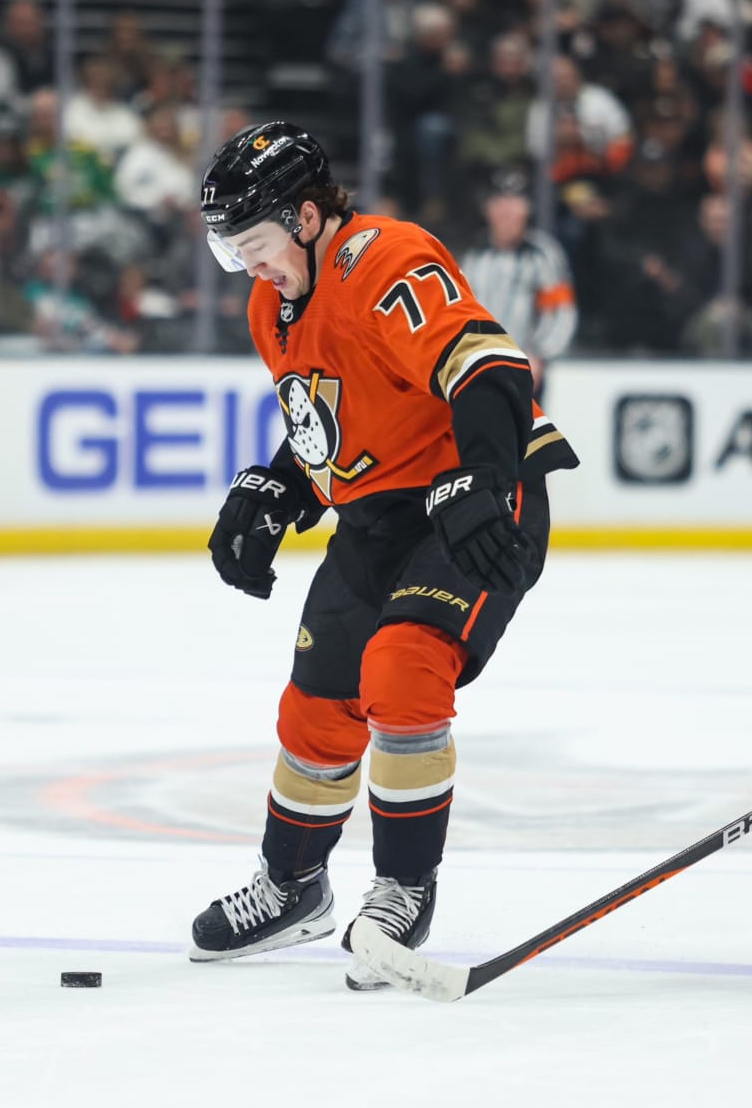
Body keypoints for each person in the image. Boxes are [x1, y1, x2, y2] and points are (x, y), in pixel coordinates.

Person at [188, 122, 578, 989]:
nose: (248, 267)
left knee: (403, 668)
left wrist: (482, 476)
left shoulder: (385, 259)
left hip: (475, 495)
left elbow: (491, 372)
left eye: (253, 244)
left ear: (308, 218)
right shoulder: (271, 303)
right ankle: (293, 885)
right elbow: (338, 428)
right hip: (379, 516)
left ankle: (403, 886)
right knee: (318, 700)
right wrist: (284, 488)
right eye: (231, 253)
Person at [457, 170, 577, 395]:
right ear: (487, 210)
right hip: (478, 369)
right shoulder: (472, 255)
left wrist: (539, 354)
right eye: (499, 203)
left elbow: (561, 311)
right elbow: (459, 312)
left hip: (528, 368)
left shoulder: (542, 254)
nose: (507, 212)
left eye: (515, 204)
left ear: (527, 209)